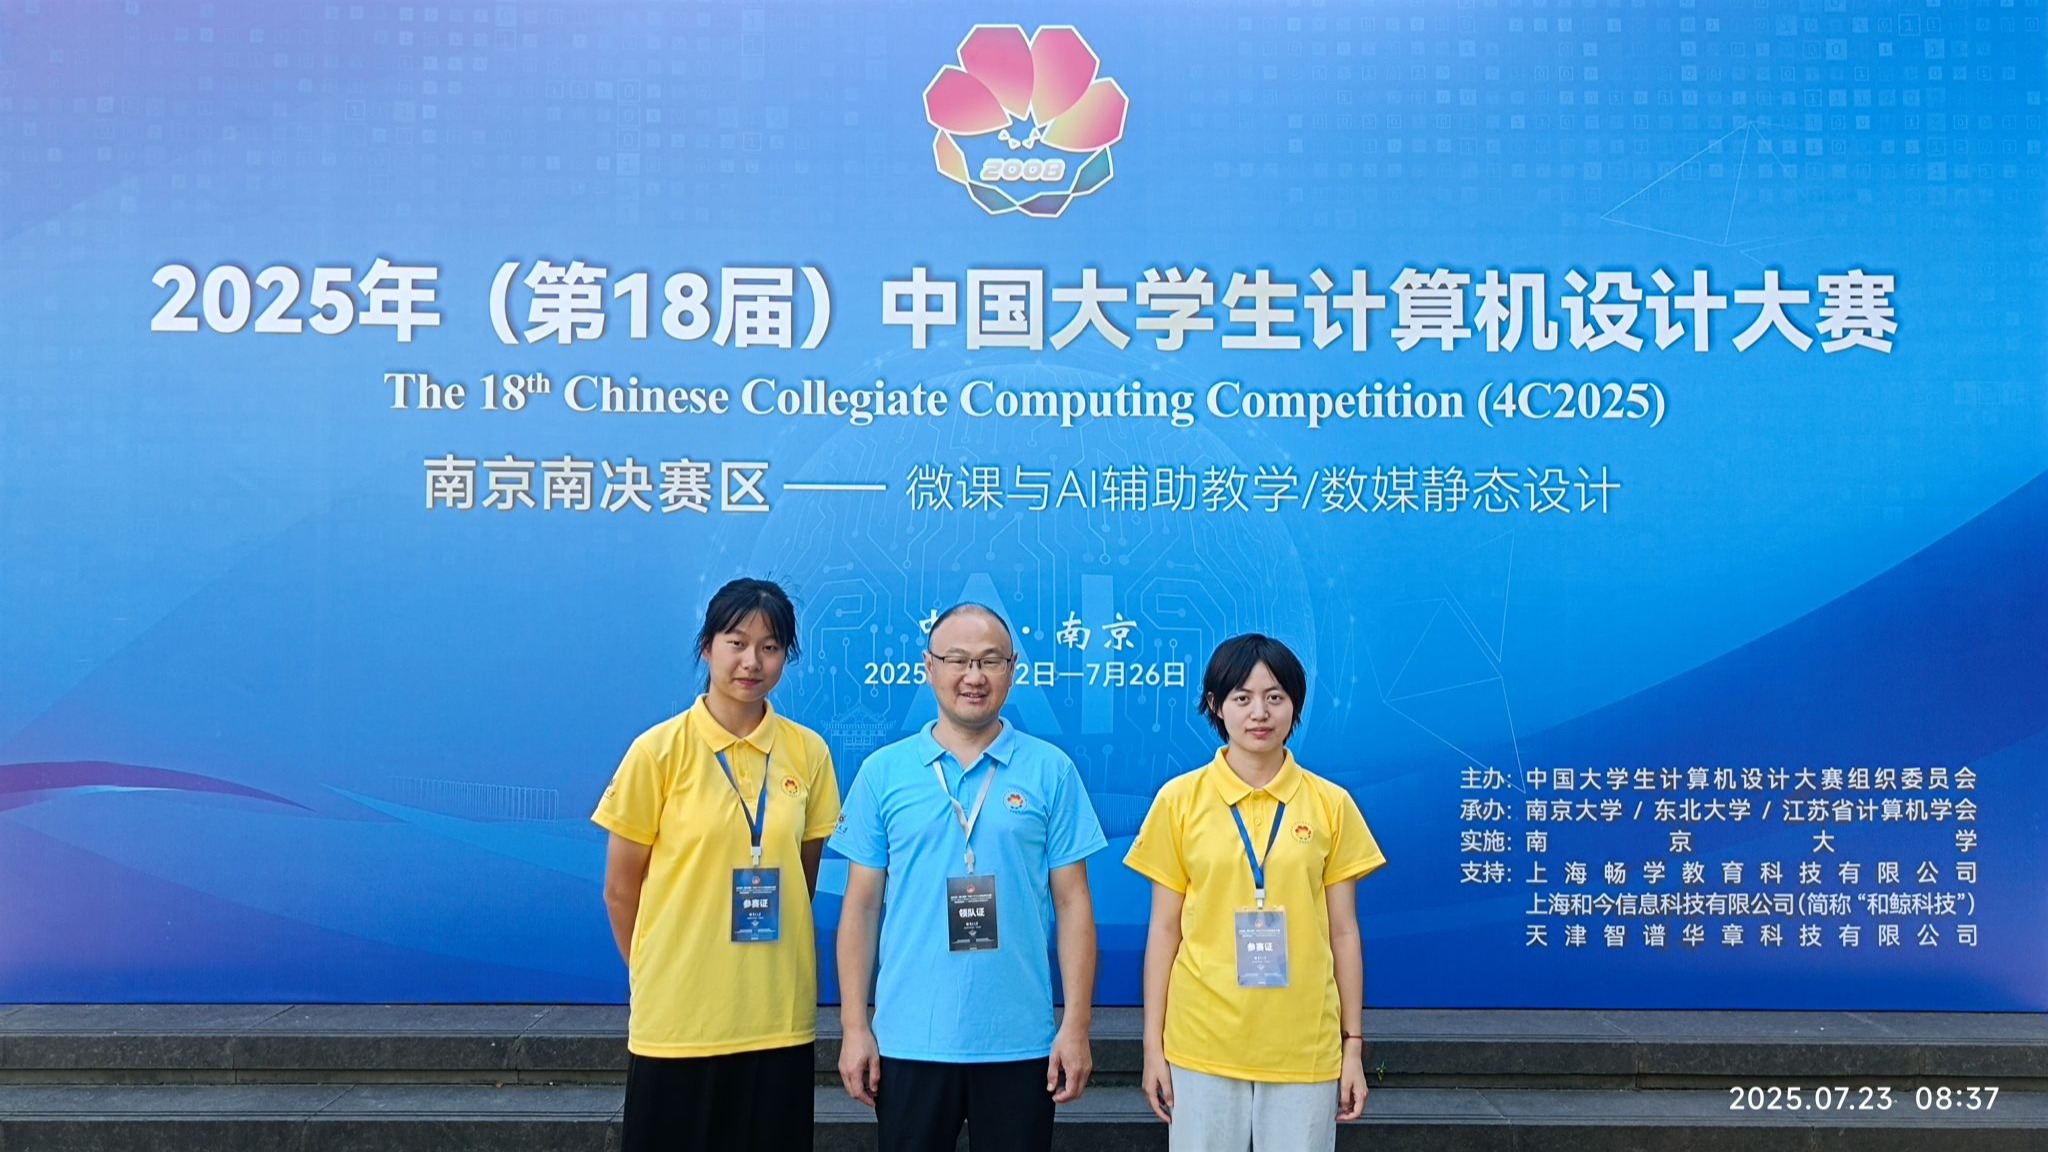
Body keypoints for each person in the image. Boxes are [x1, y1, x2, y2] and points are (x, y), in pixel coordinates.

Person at [832, 602, 1107, 1152]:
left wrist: (1075, 1026)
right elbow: (861, 907)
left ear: (1013, 670)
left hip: (1019, 1040)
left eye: (990, 661)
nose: (973, 676)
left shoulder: (1051, 770)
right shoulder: (883, 772)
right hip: (908, 1038)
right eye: (957, 660)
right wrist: (855, 1026)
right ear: (928, 667)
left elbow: (1073, 904)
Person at [591, 577, 839, 1152]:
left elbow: (801, 878)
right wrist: (657, 973)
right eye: (736, 642)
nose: (752, 661)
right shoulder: (658, 751)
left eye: (770, 647)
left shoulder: (808, 752)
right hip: (679, 1017)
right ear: (707, 646)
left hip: (776, 1013)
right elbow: (620, 891)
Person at [1124, 633, 1387, 1152]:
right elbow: (1164, 930)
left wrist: (1352, 1045)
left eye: (1275, 697)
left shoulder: (1331, 804)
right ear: (1216, 705)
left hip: (1303, 1042)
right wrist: (1153, 1047)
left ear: (1295, 706)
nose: (1259, 713)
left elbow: (1344, 932)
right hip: (1201, 1039)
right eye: (1242, 697)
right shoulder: (1179, 800)